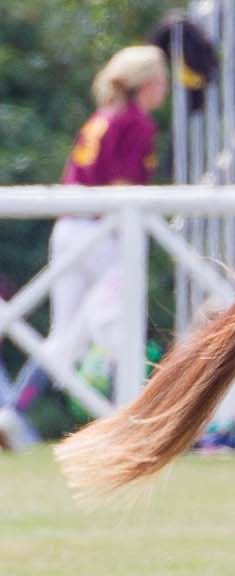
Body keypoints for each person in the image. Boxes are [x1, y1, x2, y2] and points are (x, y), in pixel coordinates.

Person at [46, 45, 168, 393]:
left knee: (62, 336)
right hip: (102, 232)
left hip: (69, 227)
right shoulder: (135, 122)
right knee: (115, 321)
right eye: (162, 81)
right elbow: (122, 186)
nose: (165, 89)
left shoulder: (101, 117)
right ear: (147, 83)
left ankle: (14, 410)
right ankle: (130, 411)